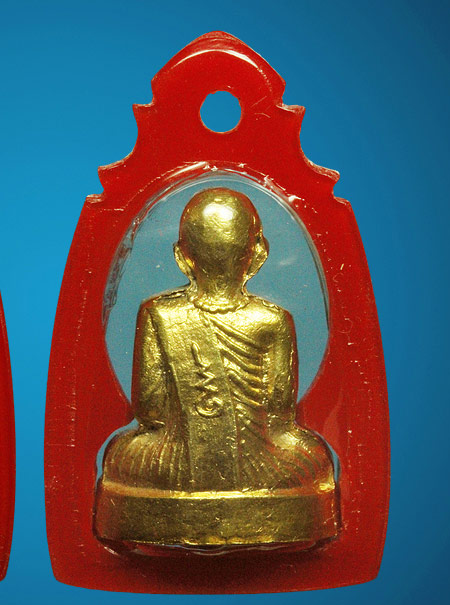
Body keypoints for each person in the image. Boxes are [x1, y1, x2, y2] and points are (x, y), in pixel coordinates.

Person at [95, 187, 337, 546]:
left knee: (123, 456)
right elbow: (279, 413)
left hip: (173, 468)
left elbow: (150, 409)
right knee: (311, 459)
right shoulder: (273, 320)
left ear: (182, 257)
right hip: (261, 469)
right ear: (258, 254)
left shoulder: (159, 315)